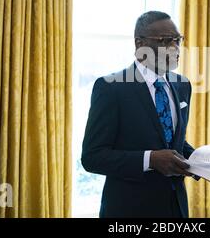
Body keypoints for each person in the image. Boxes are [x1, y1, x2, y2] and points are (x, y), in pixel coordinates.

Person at [81, 11, 196, 218]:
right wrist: (149, 159)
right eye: (165, 40)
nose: (175, 47)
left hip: (175, 209)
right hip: (129, 209)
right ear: (139, 44)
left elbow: (174, 143)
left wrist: (205, 161)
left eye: (178, 40)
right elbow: (92, 157)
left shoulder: (182, 85)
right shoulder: (111, 88)